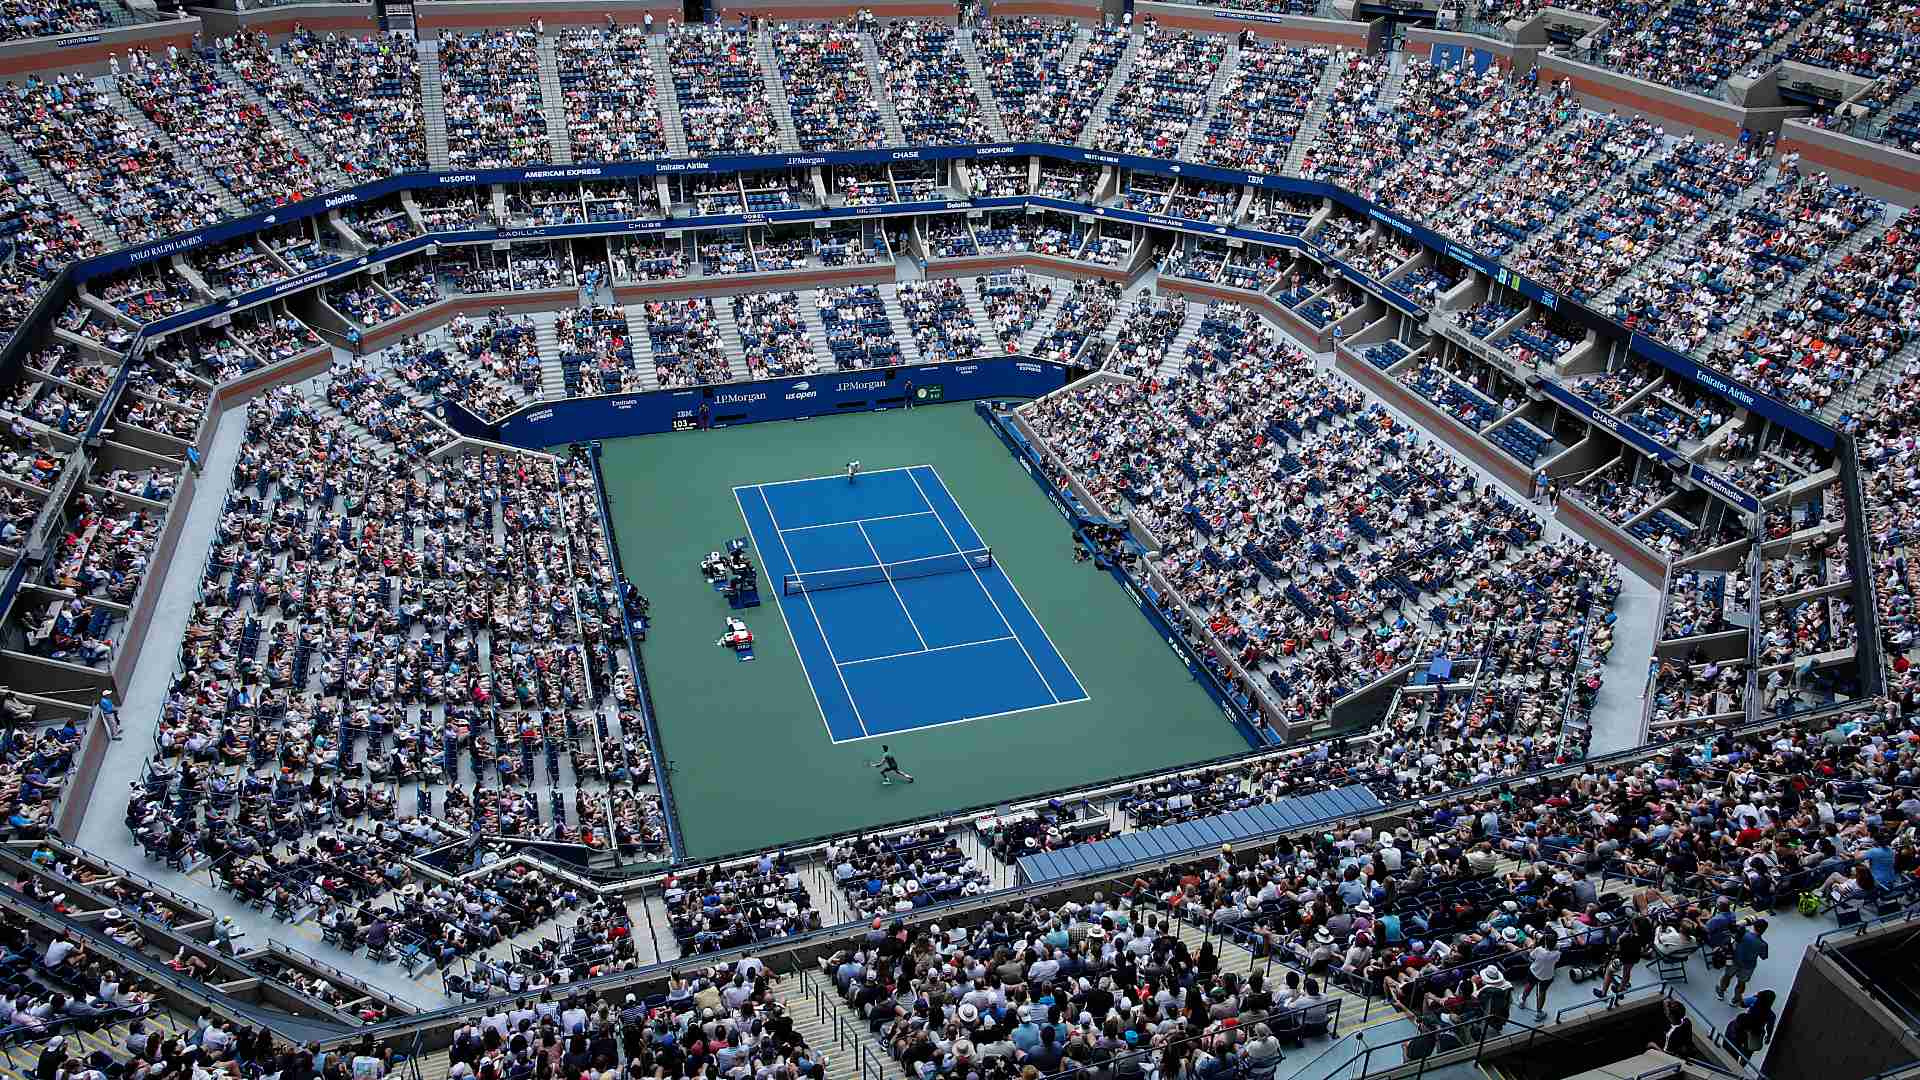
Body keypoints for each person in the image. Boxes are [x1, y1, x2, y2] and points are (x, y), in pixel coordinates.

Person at [1717, 919, 1768, 1003]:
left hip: (1733, 961)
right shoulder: (1763, 944)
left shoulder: (1743, 934)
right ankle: (1735, 1000)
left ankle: (1721, 992)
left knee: (1727, 976)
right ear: (1764, 930)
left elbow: (1732, 932)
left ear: (1753, 926)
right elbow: (1763, 957)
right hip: (1748, 967)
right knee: (1741, 983)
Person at [1724, 989, 1777, 1057]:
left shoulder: (1754, 1000)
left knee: (1734, 1042)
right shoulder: (1771, 1015)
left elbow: (1742, 1004)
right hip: (1755, 1033)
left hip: (1744, 1025)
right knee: (1748, 1051)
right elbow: (1769, 1028)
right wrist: (1768, 1037)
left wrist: (1740, 998)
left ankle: (1731, 1053)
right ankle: (1741, 1063)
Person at [1526, 935, 1561, 1020]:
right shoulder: (1557, 954)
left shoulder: (1539, 950)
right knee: (1542, 992)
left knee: (1529, 985)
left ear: (1545, 942)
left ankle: (1522, 1001)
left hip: (1534, 972)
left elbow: (1531, 956)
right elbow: (1557, 959)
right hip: (1547, 976)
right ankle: (1538, 1012)